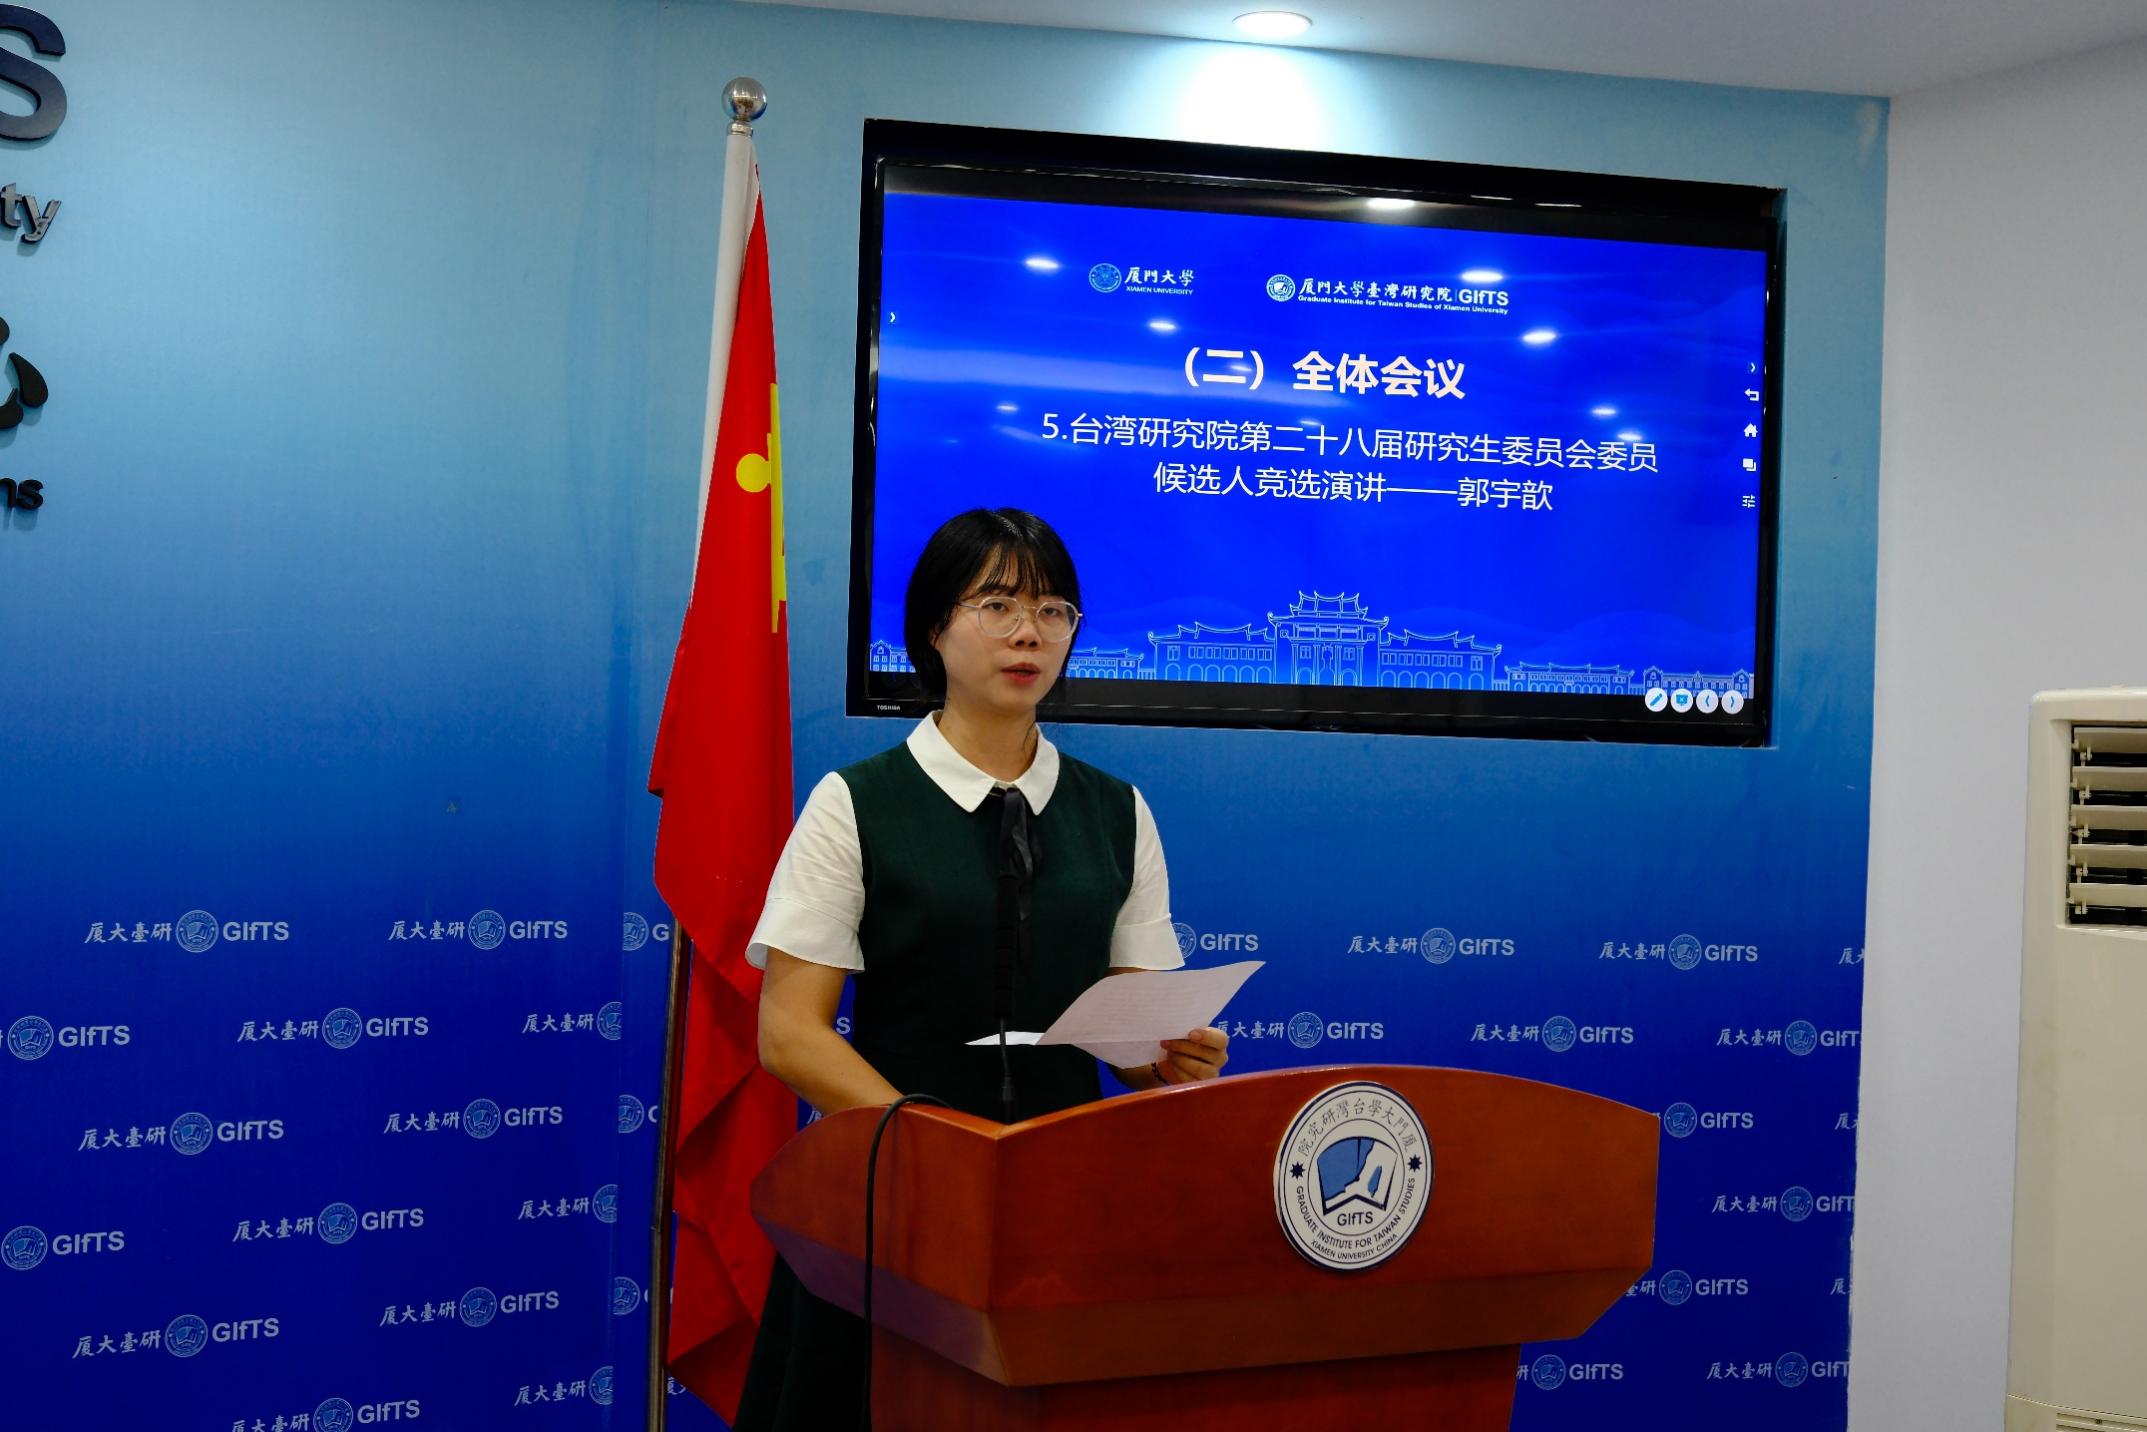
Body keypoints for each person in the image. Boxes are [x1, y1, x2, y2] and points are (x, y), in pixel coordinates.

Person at [733, 507, 1229, 1430]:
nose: (1028, 632)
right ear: (933, 627)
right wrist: (938, 1151)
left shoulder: (1116, 810)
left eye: (1052, 610)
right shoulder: (855, 803)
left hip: (1064, 1201)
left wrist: (1165, 1058)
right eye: (996, 604)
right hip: (893, 1195)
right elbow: (790, 1035)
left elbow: (1131, 1034)